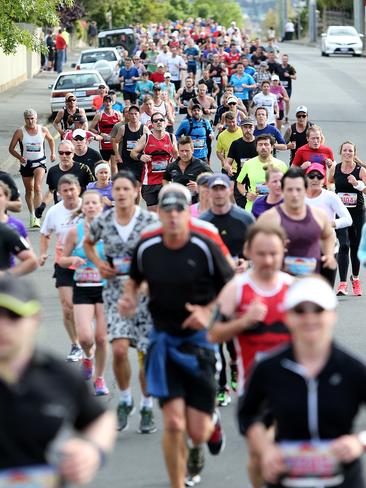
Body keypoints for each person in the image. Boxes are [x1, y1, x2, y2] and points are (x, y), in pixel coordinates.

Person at [118, 183, 234, 488]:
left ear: (188, 211)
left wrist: (208, 311)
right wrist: (130, 297)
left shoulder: (205, 240)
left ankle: (205, 431)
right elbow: (133, 278)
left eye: (179, 209)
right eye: (166, 209)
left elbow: (232, 286)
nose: (172, 216)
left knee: (196, 431)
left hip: (200, 342)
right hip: (163, 339)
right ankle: (176, 483)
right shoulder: (147, 244)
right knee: (172, 423)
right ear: (160, 212)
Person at [238, 275, 366, 488]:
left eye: (318, 310)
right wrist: (265, 449)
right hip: (286, 477)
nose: (309, 318)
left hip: (342, 479)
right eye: (300, 311)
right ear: (287, 316)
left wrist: (359, 442)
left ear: (332, 315)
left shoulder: (351, 369)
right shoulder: (269, 368)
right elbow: (248, 414)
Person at [0, 276, 116, 484]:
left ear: (35, 319)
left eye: (13, 316)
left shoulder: (58, 375)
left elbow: (100, 418)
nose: (2, 326)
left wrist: (92, 450)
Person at [208, 222, 293, 488]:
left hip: (291, 388)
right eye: (261, 253)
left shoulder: (294, 290)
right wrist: (243, 322)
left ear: (283, 252)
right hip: (252, 391)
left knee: (284, 458)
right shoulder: (237, 289)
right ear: (248, 252)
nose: (267, 260)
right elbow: (213, 334)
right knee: (258, 458)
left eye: (273, 253)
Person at [84, 171, 158, 434]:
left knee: (147, 354)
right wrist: (99, 264)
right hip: (115, 291)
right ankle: (126, 400)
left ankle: (147, 405)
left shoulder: (149, 221)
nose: (121, 194)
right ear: (112, 193)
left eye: (126, 189)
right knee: (118, 349)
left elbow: (160, 253)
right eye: (117, 190)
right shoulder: (104, 220)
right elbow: (88, 243)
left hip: (145, 293)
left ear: (137, 190)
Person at [200, 173, 255, 406]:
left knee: (236, 340)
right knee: (215, 341)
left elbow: (255, 249)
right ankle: (221, 386)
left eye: (223, 188)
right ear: (209, 192)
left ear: (230, 189)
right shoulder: (203, 222)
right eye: (215, 189)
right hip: (214, 290)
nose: (220, 192)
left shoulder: (244, 218)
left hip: (241, 286)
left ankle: (236, 366)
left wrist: (247, 263)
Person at [59, 190, 109, 396]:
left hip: (106, 288)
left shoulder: (110, 230)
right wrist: (72, 261)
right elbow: (61, 259)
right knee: (86, 338)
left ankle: (99, 379)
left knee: (101, 338)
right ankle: (88, 357)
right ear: (83, 207)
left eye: (93, 203)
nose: (89, 206)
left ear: (100, 206)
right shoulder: (74, 232)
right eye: (86, 203)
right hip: (83, 288)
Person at [258, 167, 336, 277]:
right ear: (283, 191)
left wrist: (329, 254)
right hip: (280, 285)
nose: (294, 194)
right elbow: (252, 248)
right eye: (290, 189)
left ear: (305, 190)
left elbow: (328, 236)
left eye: (298, 189)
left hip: (310, 283)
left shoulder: (319, 216)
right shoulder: (269, 218)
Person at [39, 174, 83, 362]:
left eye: (72, 189)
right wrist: (43, 253)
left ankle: (87, 335)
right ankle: (76, 344)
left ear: (78, 189)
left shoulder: (89, 207)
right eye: (65, 191)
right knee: (67, 308)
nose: (69, 193)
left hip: (87, 263)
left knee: (86, 305)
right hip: (63, 263)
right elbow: (45, 234)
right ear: (59, 193)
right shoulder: (54, 212)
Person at [305, 163, 352, 286]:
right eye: (311, 176)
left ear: (324, 179)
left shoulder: (330, 197)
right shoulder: (298, 196)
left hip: (328, 246)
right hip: (305, 247)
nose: (315, 179)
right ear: (306, 178)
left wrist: (331, 224)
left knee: (326, 288)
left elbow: (348, 219)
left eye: (319, 176)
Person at [329, 141, 366, 296]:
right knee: (344, 245)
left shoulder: (360, 170)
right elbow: (329, 184)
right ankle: (342, 283)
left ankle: (355, 279)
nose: (347, 153)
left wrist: (357, 184)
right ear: (341, 152)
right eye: (345, 150)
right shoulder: (334, 168)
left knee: (356, 248)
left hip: (357, 212)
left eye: (350, 150)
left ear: (354, 153)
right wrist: (332, 190)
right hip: (342, 214)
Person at [9, 109, 55, 228]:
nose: (30, 121)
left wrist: (52, 154)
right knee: (29, 190)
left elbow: (51, 139)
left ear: (36, 118)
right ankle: (32, 214)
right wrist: (20, 157)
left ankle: (37, 217)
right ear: (25, 119)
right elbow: (11, 148)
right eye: (28, 119)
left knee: (37, 187)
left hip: (39, 162)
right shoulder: (20, 132)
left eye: (32, 118)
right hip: (26, 164)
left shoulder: (43, 129)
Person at [131, 113, 178, 211]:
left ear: (165, 123)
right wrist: (141, 156)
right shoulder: (147, 137)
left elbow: (176, 155)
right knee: (153, 212)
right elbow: (133, 153)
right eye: (155, 121)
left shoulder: (171, 137)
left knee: (166, 210)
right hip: (149, 182)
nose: (159, 122)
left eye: (161, 120)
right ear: (152, 124)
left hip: (166, 181)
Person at [36, 140, 94, 213]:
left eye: (67, 153)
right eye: (61, 153)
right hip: (60, 211)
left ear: (73, 154)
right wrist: (42, 205)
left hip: (80, 211)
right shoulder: (53, 171)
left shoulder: (83, 169)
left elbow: (93, 189)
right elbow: (51, 191)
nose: (64, 156)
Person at [236, 134, 287, 211]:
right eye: (260, 145)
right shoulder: (248, 164)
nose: (263, 147)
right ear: (256, 148)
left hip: (275, 208)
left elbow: (288, 185)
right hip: (253, 207)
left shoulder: (281, 165)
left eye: (266, 144)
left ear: (272, 147)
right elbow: (239, 183)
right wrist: (246, 194)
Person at [163, 136, 212, 203]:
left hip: (195, 204)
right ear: (178, 151)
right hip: (178, 203)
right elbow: (165, 179)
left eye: (187, 150)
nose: (184, 154)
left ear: (192, 150)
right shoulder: (172, 166)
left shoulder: (201, 165)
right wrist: (170, 190)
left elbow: (213, 180)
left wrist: (199, 187)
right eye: (182, 151)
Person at [113, 104, 149, 180]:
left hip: (139, 161)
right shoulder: (123, 128)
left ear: (139, 115)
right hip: (126, 161)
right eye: (131, 114)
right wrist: (117, 155)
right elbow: (115, 141)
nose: (133, 116)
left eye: (136, 114)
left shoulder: (144, 129)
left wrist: (142, 145)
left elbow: (151, 143)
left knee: (139, 184)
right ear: (128, 115)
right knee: (126, 182)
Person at [89, 94, 123, 173]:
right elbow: (91, 128)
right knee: (106, 165)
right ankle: (107, 182)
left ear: (112, 103)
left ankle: (114, 183)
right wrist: (100, 133)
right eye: (106, 101)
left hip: (115, 143)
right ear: (103, 103)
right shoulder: (99, 115)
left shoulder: (118, 114)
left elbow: (122, 127)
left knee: (114, 166)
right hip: (104, 144)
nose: (107, 103)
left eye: (109, 101)